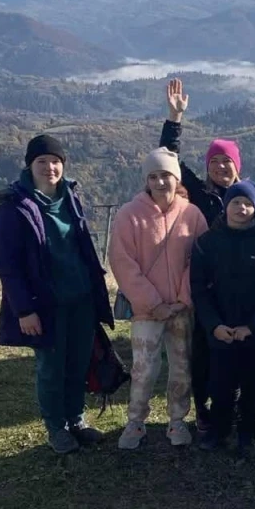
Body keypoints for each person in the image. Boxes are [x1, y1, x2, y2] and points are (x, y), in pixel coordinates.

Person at [0, 133, 114, 455]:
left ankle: (76, 420)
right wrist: (23, 310)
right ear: (30, 165)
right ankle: (56, 428)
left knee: (78, 362)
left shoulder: (70, 196)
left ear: (63, 165)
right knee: (51, 367)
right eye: (42, 161)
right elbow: (7, 266)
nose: (50, 168)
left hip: (82, 298)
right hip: (45, 304)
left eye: (56, 162)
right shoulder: (13, 206)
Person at [109, 148, 208, 451]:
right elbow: (122, 262)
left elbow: (201, 259)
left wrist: (182, 298)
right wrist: (153, 302)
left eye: (166, 175)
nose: (160, 181)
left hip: (181, 308)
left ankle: (177, 420)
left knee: (182, 366)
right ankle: (136, 421)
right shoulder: (129, 214)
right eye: (153, 176)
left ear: (176, 178)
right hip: (146, 310)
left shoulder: (192, 214)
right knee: (143, 368)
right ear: (146, 180)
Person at [160, 78, 242, 433]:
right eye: (216, 161)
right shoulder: (199, 194)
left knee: (236, 349)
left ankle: (233, 404)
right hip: (204, 285)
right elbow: (169, 158)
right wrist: (174, 119)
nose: (222, 167)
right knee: (204, 350)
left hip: (239, 285)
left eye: (228, 162)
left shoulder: (247, 198)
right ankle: (205, 408)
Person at [190, 180, 255, 455]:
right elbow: (198, 289)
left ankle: (247, 431)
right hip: (219, 329)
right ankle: (219, 428)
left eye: (248, 203)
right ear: (226, 205)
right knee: (220, 383)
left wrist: (253, 326)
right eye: (236, 202)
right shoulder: (207, 243)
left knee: (253, 383)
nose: (242, 208)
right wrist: (213, 325)